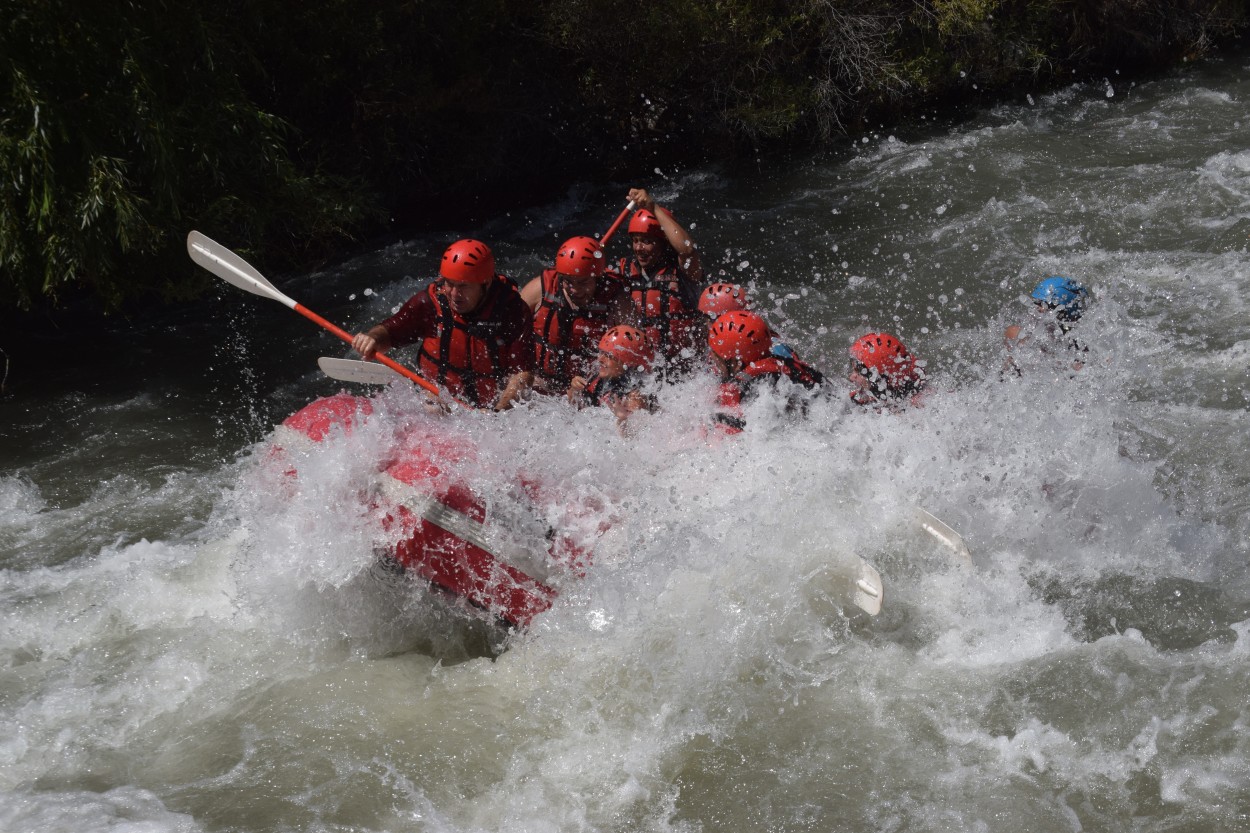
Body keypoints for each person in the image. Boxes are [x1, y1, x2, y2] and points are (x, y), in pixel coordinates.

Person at [351, 239, 534, 411]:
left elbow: (521, 374)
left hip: (488, 409)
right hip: (435, 397)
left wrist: (498, 414)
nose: (454, 294)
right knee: (433, 405)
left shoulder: (512, 311)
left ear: (485, 283)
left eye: (463, 286)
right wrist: (373, 339)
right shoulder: (431, 303)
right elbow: (391, 331)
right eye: (450, 284)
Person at [520, 236, 634, 396]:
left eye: (583, 282)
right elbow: (508, 334)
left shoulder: (618, 301)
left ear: (598, 277)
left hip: (588, 389)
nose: (575, 290)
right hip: (540, 387)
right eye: (568, 282)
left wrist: (593, 382)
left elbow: (630, 359)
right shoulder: (539, 290)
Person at [614, 188, 705, 379]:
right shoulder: (624, 270)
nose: (639, 248)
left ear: (664, 242)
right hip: (644, 371)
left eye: (647, 241)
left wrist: (653, 208)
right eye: (636, 241)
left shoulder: (683, 269)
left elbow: (687, 250)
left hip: (686, 370)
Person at [707, 310, 826, 432]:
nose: (712, 359)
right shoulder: (782, 365)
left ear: (737, 364)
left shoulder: (745, 389)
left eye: (717, 356)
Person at [568, 325, 657, 427]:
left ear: (628, 362)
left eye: (608, 356)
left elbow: (636, 437)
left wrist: (623, 419)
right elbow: (572, 406)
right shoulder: (599, 379)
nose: (600, 359)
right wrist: (574, 390)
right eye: (601, 352)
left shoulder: (636, 397)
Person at [1003, 277, 1090, 376]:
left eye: (1044, 306)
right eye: (1036, 303)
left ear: (1065, 315)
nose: (1037, 310)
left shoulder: (1080, 352)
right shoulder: (1015, 335)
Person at [847, 332, 927, 409]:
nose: (851, 377)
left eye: (858, 372)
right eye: (853, 369)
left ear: (880, 379)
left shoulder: (915, 404)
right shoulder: (857, 395)